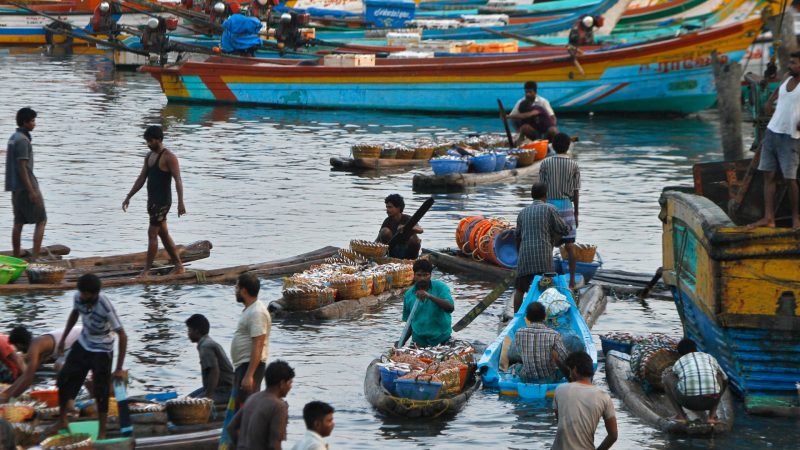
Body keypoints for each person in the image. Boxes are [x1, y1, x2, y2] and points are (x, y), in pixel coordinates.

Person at [54, 273, 127, 440]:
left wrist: (118, 369)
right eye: (81, 292)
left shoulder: (105, 305)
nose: (82, 296)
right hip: (84, 342)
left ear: (94, 294)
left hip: (102, 349)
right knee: (64, 378)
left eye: (86, 294)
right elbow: (74, 314)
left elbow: (122, 335)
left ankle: (102, 432)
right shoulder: (78, 297)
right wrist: (63, 339)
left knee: (100, 390)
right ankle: (63, 420)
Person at [122, 125, 186, 277]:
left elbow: (178, 180)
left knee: (152, 234)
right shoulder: (149, 156)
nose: (148, 144)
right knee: (163, 234)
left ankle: (146, 271)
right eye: (147, 141)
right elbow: (142, 178)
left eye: (150, 141)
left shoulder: (169, 157)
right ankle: (179, 265)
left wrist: (180, 202)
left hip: (163, 202)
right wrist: (129, 196)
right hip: (152, 201)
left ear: (159, 139)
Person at [748, 51, 800, 230]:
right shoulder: (787, 77)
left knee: (789, 179)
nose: (790, 65)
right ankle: (768, 218)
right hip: (772, 131)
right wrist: (770, 100)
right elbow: (779, 89)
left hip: (791, 137)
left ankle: (796, 219)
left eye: (793, 63)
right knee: (768, 175)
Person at [514, 182, 571, 312]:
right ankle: (544, 316)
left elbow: (517, 236)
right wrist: (568, 228)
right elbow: (563, 229)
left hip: (525, 258)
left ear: (531, 195)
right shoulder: (550, 209)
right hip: (543, 259)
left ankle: (515, 316)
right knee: (547, 289)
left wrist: (520, 257)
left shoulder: (522, 213)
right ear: (545, 196)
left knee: (520, 289)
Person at [539, 132, 581, 288]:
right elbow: (576, 190)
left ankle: (547, 279)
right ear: (568, 146)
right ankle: (571, 282)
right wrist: (576, 213)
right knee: (570, 246)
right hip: (566, 206)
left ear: (553, 146)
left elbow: (541, 189)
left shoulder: (545, 163)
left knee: (548, 245)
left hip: (549, 206)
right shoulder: (574, 165)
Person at [552, 351, 617, 450]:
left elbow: (560, 420)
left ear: (574, 370)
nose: (569, 375)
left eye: (570, 370)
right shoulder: (604, 397)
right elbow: (613, 435)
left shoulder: (560, 390)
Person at [0, 325, 82, 402]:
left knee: (59, 367)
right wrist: (5, 394)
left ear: (19, 344)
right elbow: (25, 376)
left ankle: (69, 401)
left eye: (17, 347)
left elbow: (28, 379)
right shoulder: (37, 346)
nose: (18, 351)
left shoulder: (35, 347)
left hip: (80, 337)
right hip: (75, 339)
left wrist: (10, 399)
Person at [5, 107, 46, 260]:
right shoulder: (22, 140)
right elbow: (22, 167)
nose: (35, 124)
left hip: (15, 188)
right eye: (33, 121)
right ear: (25, 122)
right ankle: (35, 258)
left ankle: (16, 257)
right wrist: (31, 190)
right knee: (41, 220)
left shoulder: (13, 137)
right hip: (26, 186)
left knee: (18, 222)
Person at [228, 360, 294, 450]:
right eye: (290, 383)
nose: (291, 386)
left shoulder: (252, 398)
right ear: (282, 384)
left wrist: (240, 446)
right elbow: (274, 445)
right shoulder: (279, 406)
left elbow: (231, 428)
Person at [662, 338, 728, 424]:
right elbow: (725, 379)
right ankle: (712, 416)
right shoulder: (709, 357)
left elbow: (675, 376)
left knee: (667, 377)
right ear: (695, 349)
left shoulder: (679, 361)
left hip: (687, 401)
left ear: (680, 353)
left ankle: (681, 416)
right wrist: (718, 395)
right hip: (711, 401)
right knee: (719, 376)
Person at [230, 273, 271, 410]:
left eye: (237, 288)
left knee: (247, 408)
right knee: (240, 407)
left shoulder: (257, 312)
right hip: (244, 366)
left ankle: (249, 431)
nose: (235, 291)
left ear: (244, 291)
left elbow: (258, 344)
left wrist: (249, 375)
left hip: (250, 367)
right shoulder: (250, 310)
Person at [500, 302, 568, 383]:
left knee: (516, 366)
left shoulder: (519, 333)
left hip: (527, 378)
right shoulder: (554, 335)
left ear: (527, 318)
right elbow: (565, 358)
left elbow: (517, 353)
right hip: (549, 378)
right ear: (544, 316)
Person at [401, 259, 454, 347]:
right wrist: (402, 341)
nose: (422, 278)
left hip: (442, 339)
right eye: (419, 275)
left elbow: (450, 308)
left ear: (430, 275)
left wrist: (429, 296)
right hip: (419, 341)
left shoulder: (441, 287)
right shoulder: (409, 295)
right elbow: (409, 323)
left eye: (425, 275)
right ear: (414, 275)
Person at [185, 314, 235, 404]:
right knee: (187, 399)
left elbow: (214, 371)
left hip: (224, 390)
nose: (188, 334)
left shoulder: (205, 346)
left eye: (189, 330)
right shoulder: (206, 342)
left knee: (190, 404)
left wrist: (208, 397)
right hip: (218, 388)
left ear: (196, 331)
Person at [377, 193, 423, 260]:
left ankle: (411, 261)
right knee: (385, 231)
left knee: (414, 238)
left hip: (408, 252)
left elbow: (420, 230)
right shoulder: (387, 221)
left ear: (398, 208)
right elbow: (378, 239)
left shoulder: (407, 218)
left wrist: (406, 227)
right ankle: (391, 258)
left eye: (390, 207)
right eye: (387, 207)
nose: (387, 210)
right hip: (393, 251)